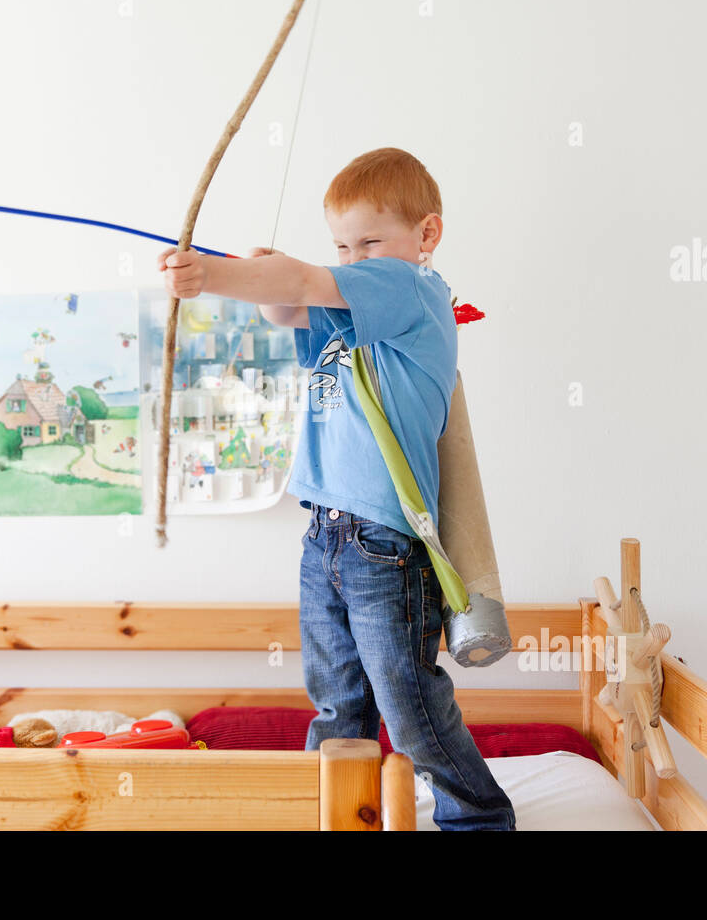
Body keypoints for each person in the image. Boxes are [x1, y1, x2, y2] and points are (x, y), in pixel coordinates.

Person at [159, 147, 515, 830]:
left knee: (407, 705)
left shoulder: (411, 290)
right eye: (342, 246)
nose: (354, 258)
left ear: (426, 236)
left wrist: (214, 276)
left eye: (369, 241)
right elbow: (286, 306)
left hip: (385, 542)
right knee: (337, 703)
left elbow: (297, 278)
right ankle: (337, 815)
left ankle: (480, 821)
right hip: (325, 533)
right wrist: (253, 278)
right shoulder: (350, 305)